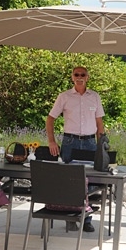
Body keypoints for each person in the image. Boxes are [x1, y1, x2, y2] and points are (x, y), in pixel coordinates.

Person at [46, 66, 105, 233]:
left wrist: (102, 145)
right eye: (76, 74)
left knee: (90, 181)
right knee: (69, 181)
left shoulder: (94, 97)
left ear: (87, 77)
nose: (79, 77)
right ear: (72, 77)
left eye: (83, 75)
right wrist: (52, 141)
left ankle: (87, 219)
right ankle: (70, 218)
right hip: (70, 142)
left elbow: (99, 123)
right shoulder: (64, 96)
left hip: (90, 143)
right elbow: (50, 119)